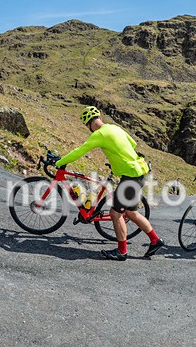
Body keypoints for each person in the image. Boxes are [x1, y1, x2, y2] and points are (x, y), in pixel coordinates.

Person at [55, 106, 163, 260]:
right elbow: (132, 144)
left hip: (131, 176)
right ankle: (155, 240)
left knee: (115, 213)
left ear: (88, 123)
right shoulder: (114, 127)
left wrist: (59, 162)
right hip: (139, 172)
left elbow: (79, 151)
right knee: (131, 213)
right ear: (99, 117)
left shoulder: (99, 134)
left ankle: (122, 252)